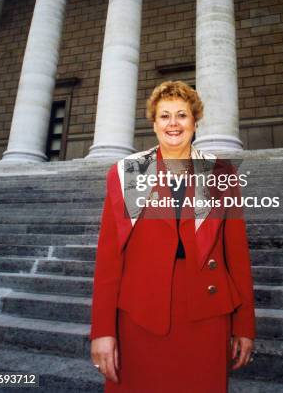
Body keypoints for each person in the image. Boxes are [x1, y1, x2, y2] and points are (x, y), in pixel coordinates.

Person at [90, 81, 255, 392]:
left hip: (206, 316)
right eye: (165, 116)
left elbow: (237, 254)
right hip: (140, 315)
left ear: (195, 121)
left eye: (182, 115)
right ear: (154, 124)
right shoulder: (127, 173)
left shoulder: (222, 173)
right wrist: (102, 330)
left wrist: (244, 324)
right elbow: (109, 258)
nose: (174, 123)